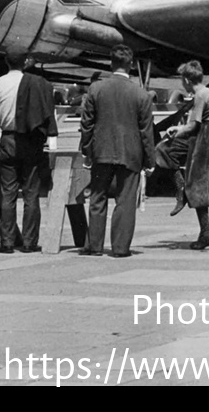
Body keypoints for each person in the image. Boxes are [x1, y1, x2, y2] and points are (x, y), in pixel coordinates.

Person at [79, 45, 156, 257]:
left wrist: (86, 150)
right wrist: (150, 160)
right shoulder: (141, 94)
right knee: (125, 200)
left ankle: (94, 246)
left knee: (97, 197)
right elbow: (146, 132)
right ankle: (120, 248)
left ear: (111, 63)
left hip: (101, 150)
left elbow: (87, 123)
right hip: (130, 153)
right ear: (131, 65)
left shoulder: (96, 89)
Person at [154, 60, 209, 249]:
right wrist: (180, 129)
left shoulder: (201, 95)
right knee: (164, 150)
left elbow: (193, 125)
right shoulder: (204, 94)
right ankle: (180, 190)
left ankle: (206, 232)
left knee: (197, 182)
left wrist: (178, 129)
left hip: (208, 135)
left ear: (186, 80)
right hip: (202, 134)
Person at [0, 45, 57, 253]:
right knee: (31, 193)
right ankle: (29, 242)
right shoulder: (37, 83)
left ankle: (7, 242)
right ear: (26, 62)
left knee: (8, 193)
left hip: (8, 138)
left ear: (6, 62)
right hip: (31, 141)